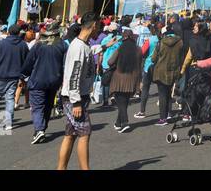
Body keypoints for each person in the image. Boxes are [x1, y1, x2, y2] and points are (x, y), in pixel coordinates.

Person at [58, 16, 97, 171]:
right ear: (94, 26)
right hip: (74, 97)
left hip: (77, 96)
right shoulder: (78, 47)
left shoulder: (83, 45)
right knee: (84, 134)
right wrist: (76, 102)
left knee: (71, 134)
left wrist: (106, 45)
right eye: (98, 26)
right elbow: (74, 75)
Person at [21, 19, 65, 143]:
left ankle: (39, 129)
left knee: (37, 106)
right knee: (48, 105)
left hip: (38, 79)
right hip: (54, 80)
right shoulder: (62, 45)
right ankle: (42, 128)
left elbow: (28, 63)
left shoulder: (38, 45)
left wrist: (23, 75)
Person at [105, 27, 142, 133]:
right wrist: (139, 82)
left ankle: (125, 122)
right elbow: (139, 67)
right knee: (124, 101)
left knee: (120, 101)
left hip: (119, 78)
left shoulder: (120, 48)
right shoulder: (138, 49)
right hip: (132, 79)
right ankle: (118, 123)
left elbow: (110, 62)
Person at [149, 23, 188, 124]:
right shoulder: (180, 42)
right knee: (168, 93)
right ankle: (169, 114)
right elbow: (182, 57)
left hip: (160, 72)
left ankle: (163, 118)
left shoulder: (161, 43)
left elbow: (153, 59)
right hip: (174, 71)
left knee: (162, 95)